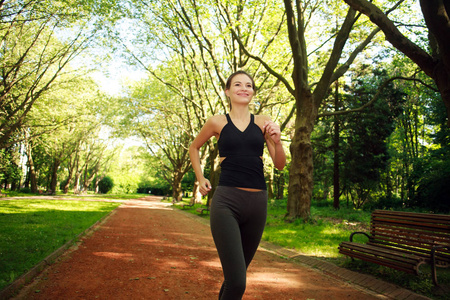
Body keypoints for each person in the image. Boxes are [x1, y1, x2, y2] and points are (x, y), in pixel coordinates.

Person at [189, 70, 286, 299]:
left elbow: (280, 164)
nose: (244, 88)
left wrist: (278, 142)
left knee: (234, 278)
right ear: (227, 91)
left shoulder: (264, 122)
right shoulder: (216, 121)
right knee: (238, 282)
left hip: (257, 204)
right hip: (226, 203)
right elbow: (194, 147)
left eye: (249, 85)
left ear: (253, 92)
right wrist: (200, 177)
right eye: (238, 84)